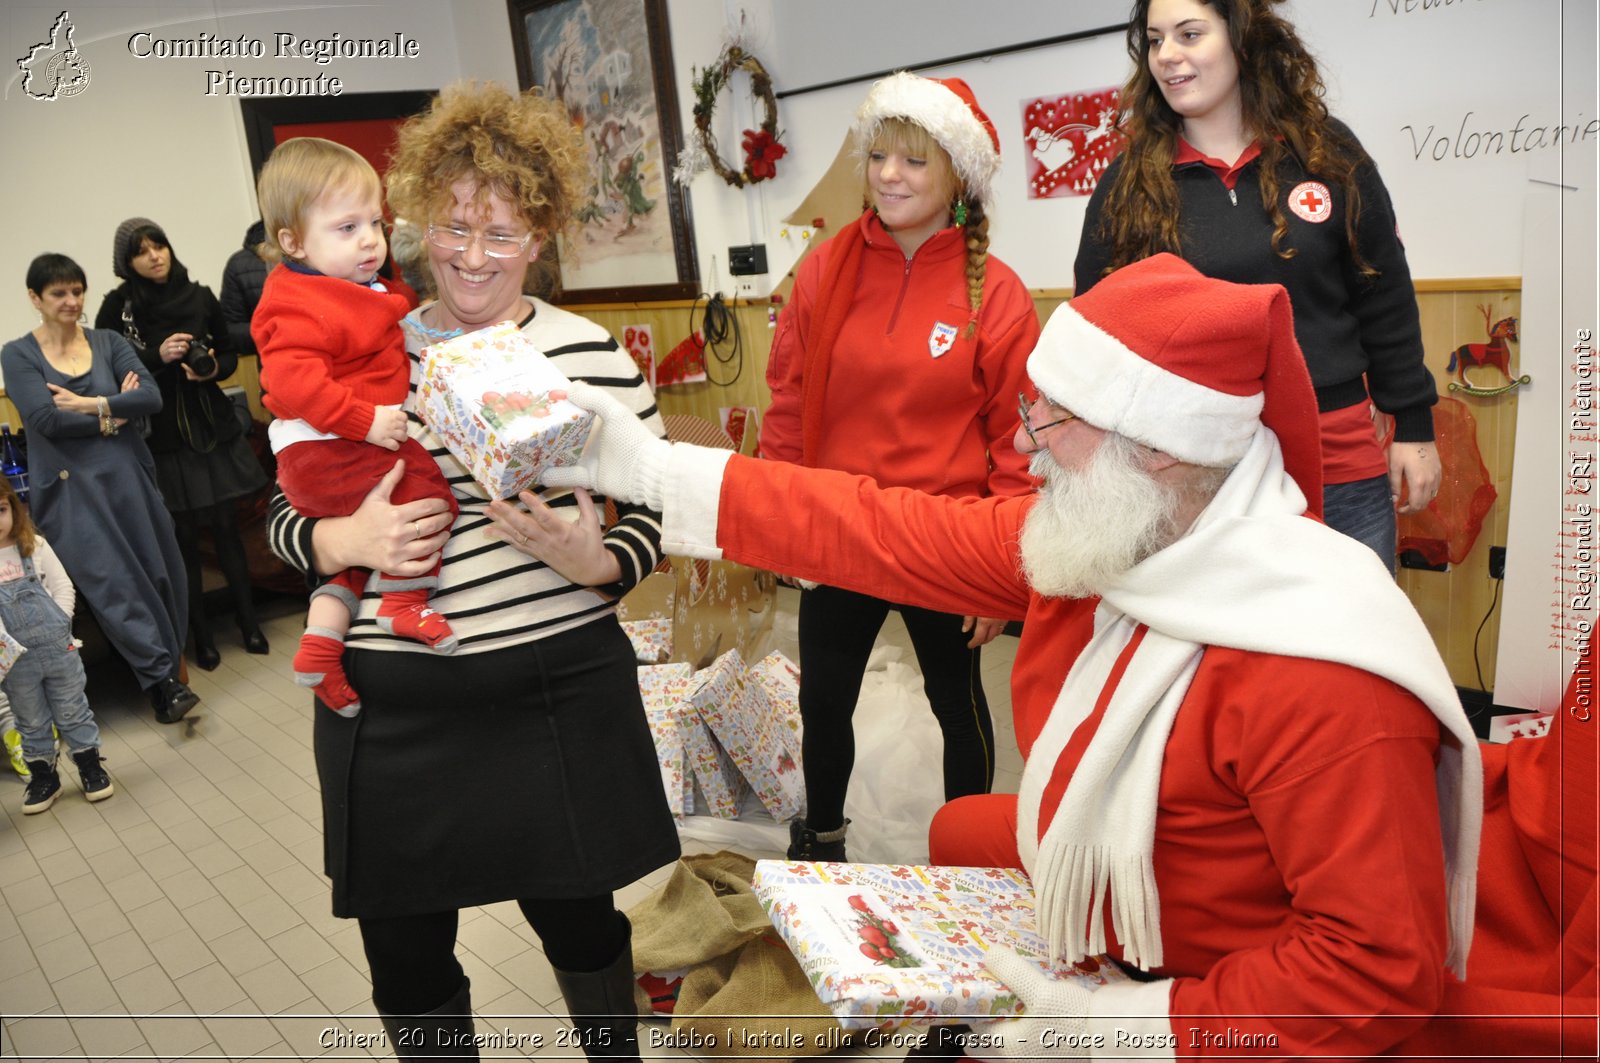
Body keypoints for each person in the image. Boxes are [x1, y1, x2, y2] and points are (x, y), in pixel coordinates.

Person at [519, 252, 1573, 1057]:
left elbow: (1373, 971)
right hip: (1133, 909)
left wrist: (1124, 1026)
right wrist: (651, 468)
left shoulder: (1317, 669)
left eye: (1051, 419)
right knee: (953, 826)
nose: (1022, 445)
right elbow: (873, 526)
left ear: (1161, 443)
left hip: (1211, 982)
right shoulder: (1114, 539)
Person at [265, 82, 679, 1061]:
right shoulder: (363, 344)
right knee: (407, 957)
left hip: (557, 694)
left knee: (584, 928)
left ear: (543, 234)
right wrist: (341, 545)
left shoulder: (590, 354)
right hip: (391, 704)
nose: (472, 255)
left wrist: (602, 562)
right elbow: (282, 512)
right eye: (453, 228)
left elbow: (661, 507)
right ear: (419, 221)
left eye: (502, 234)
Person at [761, 72, 1039, 861]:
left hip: (945, 535)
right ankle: (821, 841)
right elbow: (787, 401)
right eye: (879, 155)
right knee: (826, 703)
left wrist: (1003, 563)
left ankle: (973, 857)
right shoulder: (825, 270)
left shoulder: (1000, 294)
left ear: (958, 173)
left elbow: (1018, 444)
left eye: (914, 161)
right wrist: (787, 521)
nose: (889, 174)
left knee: (959, 704)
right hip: (841, 526)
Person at [1073, 0, 1439, 574]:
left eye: (1190, 34)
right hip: (1199, 470)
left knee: (1355, 644)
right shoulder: (1129, 182)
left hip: (1335, 456)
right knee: (1226, 658)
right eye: (1154, 40)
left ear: (1242, 39)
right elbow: (1096, 327)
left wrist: (1413, 427)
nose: (1168, 56)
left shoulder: (1327, 152)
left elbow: (1383, 291)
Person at [253, 136, 461, 715]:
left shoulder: (356, 289)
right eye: (347, 228)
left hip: (330, 449)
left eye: (376, 222)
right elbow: (292, 384)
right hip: (330, 443)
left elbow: (392, 331)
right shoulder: (299, 301)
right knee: (427, 496)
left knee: (356, 558)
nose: (370, 239)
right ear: (293, 242)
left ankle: (319, 648)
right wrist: (364, 421)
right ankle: (404, 603)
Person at [2, 253, 198, 724]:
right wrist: (115, 414)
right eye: (58, 293)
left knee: (161, 571)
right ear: (36, 298)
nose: (71, 301)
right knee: (113, 584)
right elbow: (46, 419)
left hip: (128, 474)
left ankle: (168, 668)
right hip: (70, 491)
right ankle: (161, 683)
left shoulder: (108, 341)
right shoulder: (18, 353)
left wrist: (90, 404)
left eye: (76, 291)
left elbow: (149, 397)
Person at [94, 218, 270, 671]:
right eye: (142, 251)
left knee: (227, 528)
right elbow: (108, 371)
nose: (155, 256)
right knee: (184, 539)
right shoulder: (118, 308)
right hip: (162, 434)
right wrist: (158, 356)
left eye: (160, 246)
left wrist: (210, 368)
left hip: (209, 425)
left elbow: (230, 352)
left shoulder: (199, 294)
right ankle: (203, 638)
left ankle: (251, 624)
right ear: (126, 262)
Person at [0, 477, 114, 812]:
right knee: (29, 719)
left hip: (57, 646)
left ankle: (90, 765)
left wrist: (61, 624)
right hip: (15, 660)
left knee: (72, 710)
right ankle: (44, 778)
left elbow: (64, 586)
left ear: (13, 509)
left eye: (1, 510)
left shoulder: (33, 546)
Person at [220, 220, 270, 358]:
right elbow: (230, 329)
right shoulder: (239, 264)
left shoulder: (316, 247)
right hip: (273, 364)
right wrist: (270, 331)